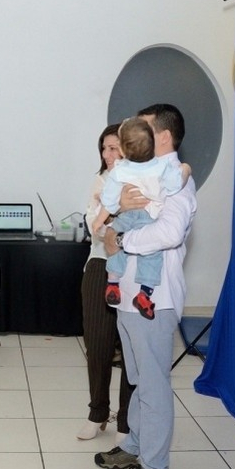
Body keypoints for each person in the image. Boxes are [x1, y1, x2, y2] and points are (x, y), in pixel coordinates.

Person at [94, 104, 197, 469]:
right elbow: (102, 222)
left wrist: (121, 237)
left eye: (144, 128)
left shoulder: (177, 180)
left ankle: (155, 466)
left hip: (156, 299)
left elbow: (168, 233)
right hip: (126, 294)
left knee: (153, 383)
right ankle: (135, 444)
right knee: (137, 378)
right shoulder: (138, 174)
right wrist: (111, 228)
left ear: (164, 137)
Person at [92, 117, 191, 320]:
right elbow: (174, 184)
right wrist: (186, 170)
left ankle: (113, 282)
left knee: (144, 253)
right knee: (151, 259)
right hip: (147, 217)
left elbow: (170, 235)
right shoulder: (164, 169)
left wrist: (110, 231)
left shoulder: (120, 171)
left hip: (161, 302)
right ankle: (145, 293)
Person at [78, 123, 135, 441]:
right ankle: (97, 412)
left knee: (130, 348)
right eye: (104, 148)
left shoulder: (141, 182)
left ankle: (126, 420)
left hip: (132, 269)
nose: (108, 154)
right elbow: (96, 227)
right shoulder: (100, 182)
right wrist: (113, 214)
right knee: (97, 346)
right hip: (99, 265)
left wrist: (113, 214)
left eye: (114, 148)